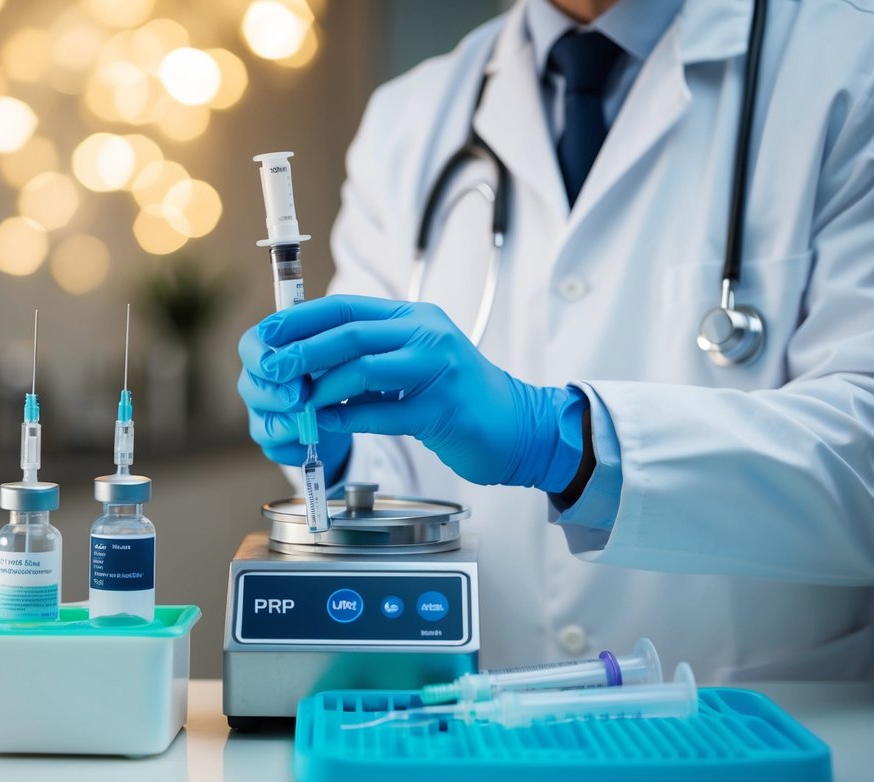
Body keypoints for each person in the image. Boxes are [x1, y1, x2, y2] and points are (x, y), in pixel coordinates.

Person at [237, 0, 874, 682]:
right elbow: (386, 472)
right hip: (481, 728)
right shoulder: (408, 118)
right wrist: (336, 458)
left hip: (763, 730)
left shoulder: (846, 63)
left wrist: (563, 441)